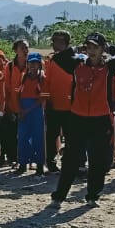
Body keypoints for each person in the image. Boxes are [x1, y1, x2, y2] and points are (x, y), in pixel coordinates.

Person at [50, 32, 115, 208]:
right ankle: (58, 197)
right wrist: (76, 49)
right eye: (89, 47)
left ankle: (93, 195)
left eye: (96, 47)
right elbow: (58, 58)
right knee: (71, 159)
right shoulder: (77, 65)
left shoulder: (109, 68)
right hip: (77, 118)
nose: (91, 50)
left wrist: (109, 48)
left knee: (97, 160)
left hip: (100, 120)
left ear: (102, 49)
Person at [43, 30, 74, 175]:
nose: (55, 44)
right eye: (54, 41)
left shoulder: (74, 59)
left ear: (65, 43)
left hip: (71, 106)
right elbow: (47, 81)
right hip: (54, 105)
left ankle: (70, 162)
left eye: (58, 41)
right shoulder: (51, 60)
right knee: (52, 135)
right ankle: (51, 162)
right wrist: (47, 101)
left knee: (71, 136)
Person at [15, 52, 47, 175]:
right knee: (22, 137)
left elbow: (43, 98)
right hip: (23, 110)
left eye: (35, 63)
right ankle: (22, 164)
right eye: (30, 63)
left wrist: (27, 110)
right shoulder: (23, 77)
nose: (33, 65)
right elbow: (17, 94)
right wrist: (19, 110)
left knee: (38, 138)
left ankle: (39, 165)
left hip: (36, 111)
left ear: (39, 64)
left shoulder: (42, 78)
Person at [0, 39, 28, 169]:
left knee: (26, 135)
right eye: (22, 48)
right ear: (16, 50)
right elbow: (6, 89)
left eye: (26, 47)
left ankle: (25, 159)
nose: (25, 50)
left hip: (28, 108)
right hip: (13, 107)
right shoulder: (9, 67)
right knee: (11, 135)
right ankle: (13, 159)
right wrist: (7, 109)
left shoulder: (32, 65)